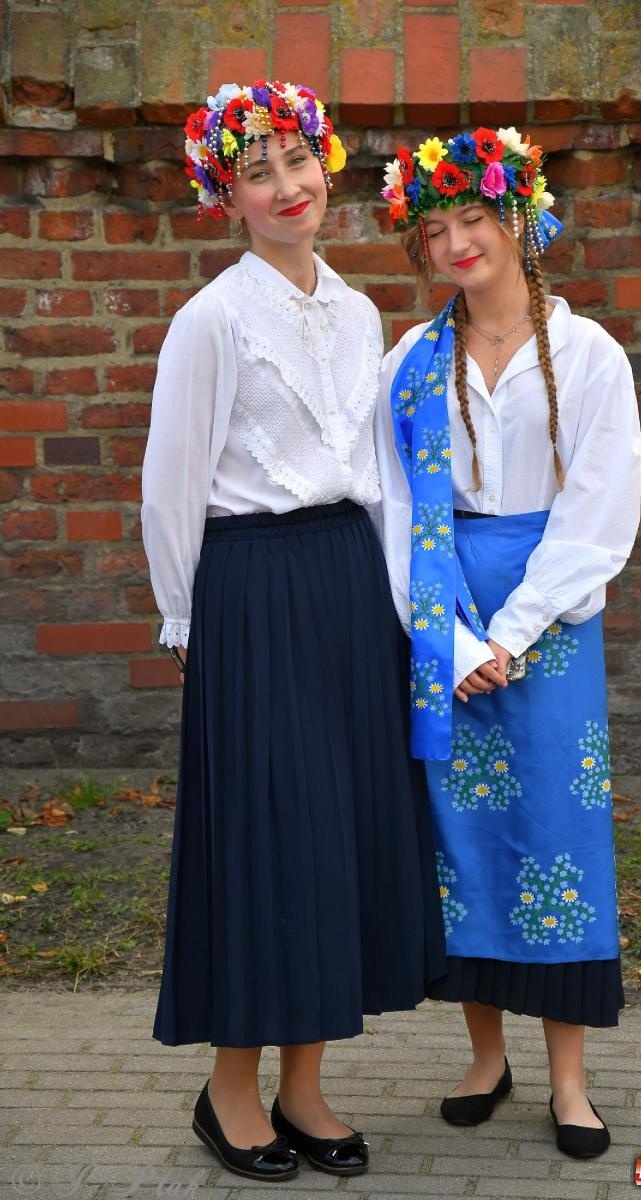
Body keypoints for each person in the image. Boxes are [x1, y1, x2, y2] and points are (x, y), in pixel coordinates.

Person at [141, 80, 445, 1184]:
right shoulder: (210, 321)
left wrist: (402, 608)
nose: (283, 186)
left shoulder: (361, 314)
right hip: (250, 589)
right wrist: (187, 619)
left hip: (344, 588)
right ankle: (228, 1093)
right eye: (253, 169)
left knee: (337, 840)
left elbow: (377, 480)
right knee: (266, 838)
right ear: (226, 195)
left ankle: (304, 1086)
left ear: (327, 167)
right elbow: (171, 482)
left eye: (295, 161)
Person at [375, 126, 641, 1158]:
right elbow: (392, 511)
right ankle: (484, 1056)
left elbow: (598, 511)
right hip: (443, 614)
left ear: (515, 217)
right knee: (458, 838)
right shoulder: (408, 364)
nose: (454, 243)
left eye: (471, 218)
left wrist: (514, 630)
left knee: (555, 830)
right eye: (433, 229)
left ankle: (568, 1080)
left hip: (550, 622)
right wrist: (444, 639)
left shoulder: (585, 355)